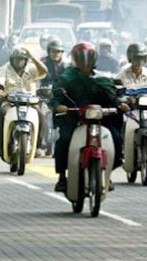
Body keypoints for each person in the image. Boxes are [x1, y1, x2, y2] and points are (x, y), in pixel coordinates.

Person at [52, 42, 129, 192]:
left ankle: (107, 175)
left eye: (88, 58)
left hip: (101, 118)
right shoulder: (66, 77)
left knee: (116, 139)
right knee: (64, 140)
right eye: (81, 59)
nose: (84, 63)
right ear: (75, 59)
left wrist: (121, 103)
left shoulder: (103, 78)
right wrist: (59, 106)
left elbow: (114, 95)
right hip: (74, 118)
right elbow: (56, 96)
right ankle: (62, 177)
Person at [0, 47, 48, 156]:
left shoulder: (31, 69)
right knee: (2, 115)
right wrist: (0, 91)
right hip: (10, 102)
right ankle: (0, 146)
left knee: (40, 115)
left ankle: (39, 145)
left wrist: (32, 57)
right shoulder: (5, 69)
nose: (19, 61)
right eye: (16, 59)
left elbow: (44, 72)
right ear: (12, 59)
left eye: (22, 59)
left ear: (26, 60)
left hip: (30, 103)